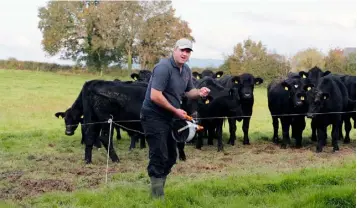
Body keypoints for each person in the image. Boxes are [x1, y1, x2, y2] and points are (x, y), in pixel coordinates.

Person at [140, 38, 210, 198]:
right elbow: (155, 96)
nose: (184, 54)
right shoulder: (163, 68)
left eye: (188, 51)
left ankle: (158, 190)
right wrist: (175, 110)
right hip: (154, 116)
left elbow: (188, 91)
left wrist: (199, 92)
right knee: (159, 154)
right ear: (174, 50)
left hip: (171, 117)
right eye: (182, 50)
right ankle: (157, 196)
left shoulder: (186, 70)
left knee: (171, 156)